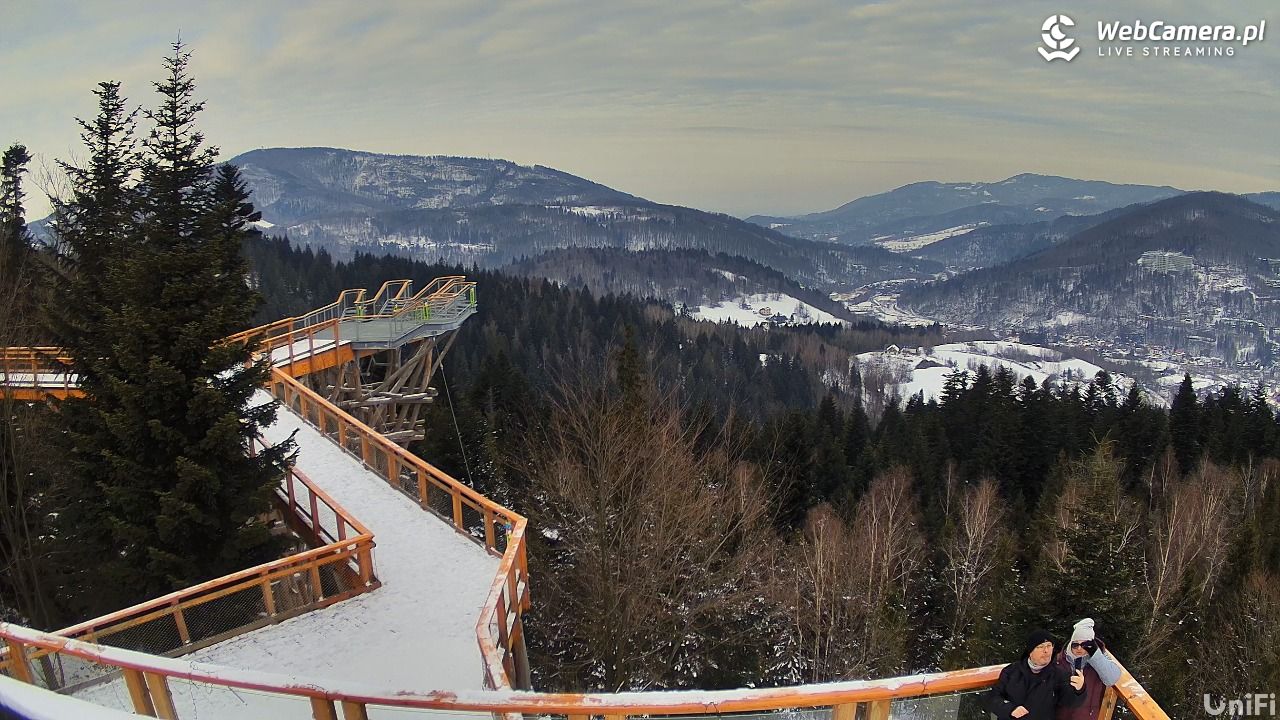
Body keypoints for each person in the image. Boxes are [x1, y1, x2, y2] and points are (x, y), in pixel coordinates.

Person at [984, 629, 1086, 719]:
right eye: (1040, 647)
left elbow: (1070, 702)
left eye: (1049, 646)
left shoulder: (1058, 674)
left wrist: (1079, 690)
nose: (1046, 651)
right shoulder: (1011, 671)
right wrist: (1010, 709)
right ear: (1030, 651)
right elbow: (992, 698)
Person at [1053, 618, 1123, 720]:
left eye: (1085, 645)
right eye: (1075, 645)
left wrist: (1095, 655)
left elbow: (1111, 679)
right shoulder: (1060, 660)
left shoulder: (1100, 659)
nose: (1079, 649)